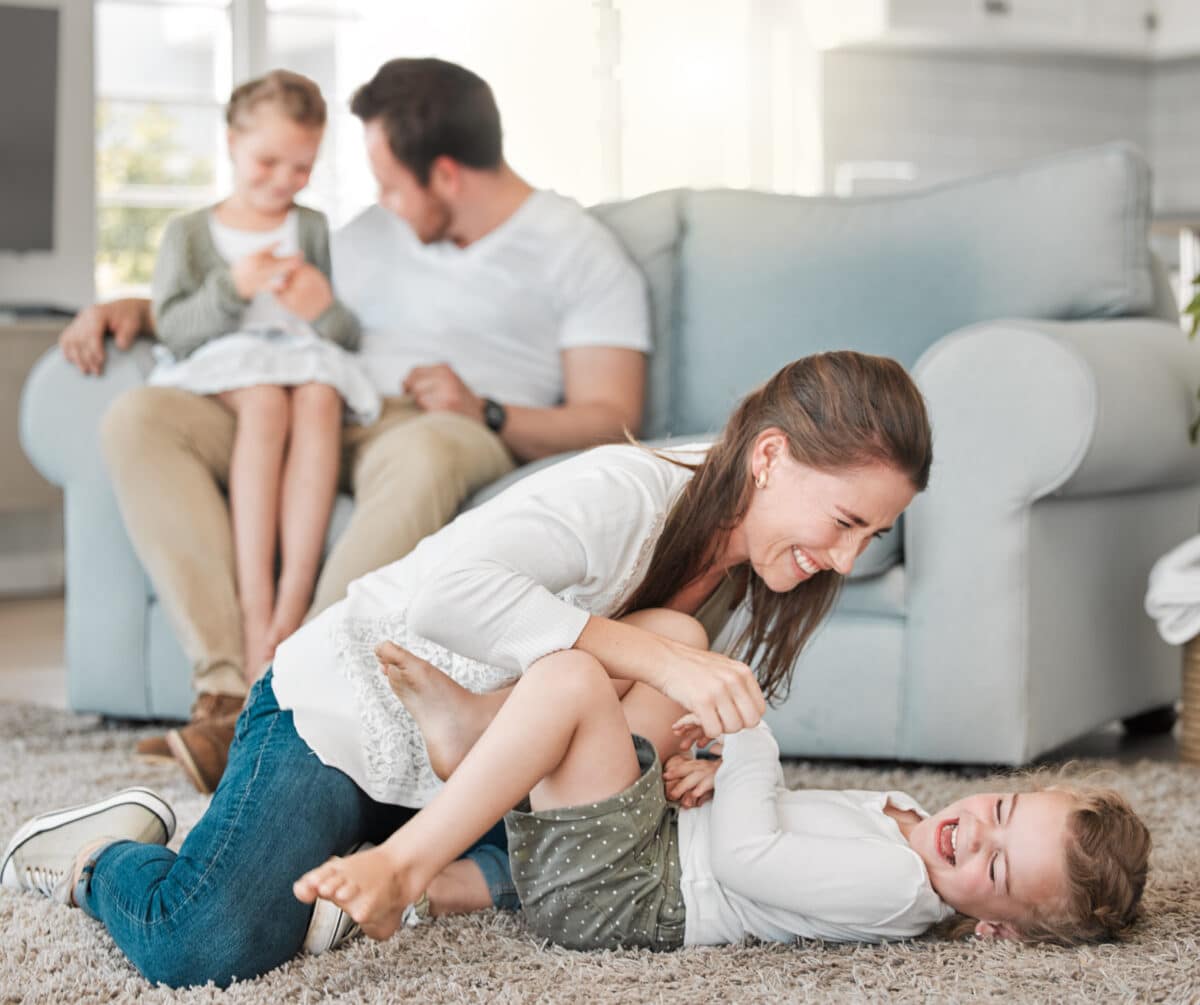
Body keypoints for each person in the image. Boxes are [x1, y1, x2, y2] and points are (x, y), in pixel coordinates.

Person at [4, 351, 929, 988]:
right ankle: (100, 853)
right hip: (352, 711)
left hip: (481, 779)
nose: (847, 560)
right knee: (207, 942)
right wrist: (655, 659)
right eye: (846, 522)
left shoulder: (739, 571)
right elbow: (446, 592)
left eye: (872, 537)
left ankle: (473, 742)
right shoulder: (625, 492)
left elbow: (635, 718)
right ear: (770, 457)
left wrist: (699, 759)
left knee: (616, 871)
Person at [57, 57, 651, 792]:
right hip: (327, 403)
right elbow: (268, 298)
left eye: (389, 182)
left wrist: (487, 410)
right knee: (141, 416)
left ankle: (278, 693)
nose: (377, 199)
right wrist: (132, 310)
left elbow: (615, 414)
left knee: (428, 453)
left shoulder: (575, 248)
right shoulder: (371, 232)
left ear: (445, 175)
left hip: (438, 424)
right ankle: (222, 685)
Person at [295, 636, 1152, 950]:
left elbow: (749, 858)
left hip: (622, 895)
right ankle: (483, 738)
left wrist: (745, 739)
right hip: (655, 848)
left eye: (997, 870)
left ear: (996, 926)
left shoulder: (900, 888)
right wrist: (716, 771)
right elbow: (782, 820)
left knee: (572, 680)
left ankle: (411, 864)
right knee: (673, 640)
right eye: (1001, 814)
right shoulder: (921, 828)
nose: (975, 836)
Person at [148, 70, 375, 687]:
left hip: (303, 360)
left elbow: (342, 333)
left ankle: (292, 604)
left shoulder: (310, 228)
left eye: (301, 168)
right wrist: (233, 287)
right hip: (227, 364)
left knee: (320, 396)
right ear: (230, 142)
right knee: (268, 403)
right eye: (267, 161)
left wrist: (319, 308)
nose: (283, 181)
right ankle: (255, 616)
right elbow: (173, 329)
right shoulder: (190, 234)